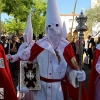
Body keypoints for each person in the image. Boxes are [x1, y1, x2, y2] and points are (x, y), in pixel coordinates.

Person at [27, 0, 88, 100]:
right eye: (49, 26)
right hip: (41, 91)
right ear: (46, 28)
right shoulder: (38, 46)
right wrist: (29, 84)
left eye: (56, 25)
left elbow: (69, 69)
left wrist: (77, 75)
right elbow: (31, 64)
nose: (53, 29)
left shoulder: (66, 47)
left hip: (58, 91)